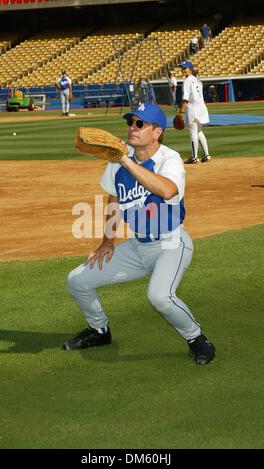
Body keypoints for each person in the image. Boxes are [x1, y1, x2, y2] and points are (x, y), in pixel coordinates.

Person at [64, 102, 216, 365]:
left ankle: (197, 339)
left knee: (159, 296)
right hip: (137, 247)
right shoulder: (117, 162)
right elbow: (113, 201)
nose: (131, 128)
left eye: (139, 124)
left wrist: (125, 159)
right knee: (77, 280)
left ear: (157, 132)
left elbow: (167, 191)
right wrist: (107, 242)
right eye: (130, 122)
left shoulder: (169, 159)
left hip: (171, 244)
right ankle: (99, 330)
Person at [178, 61, 211, 164]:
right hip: (201, 108)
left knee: (193, 132)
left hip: (192, 109)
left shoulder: (187, 81)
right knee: (199, 131)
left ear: (190, 69)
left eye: (185, 68)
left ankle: (194, 157)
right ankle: (206, 155)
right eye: (182, 68)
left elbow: (186, 99)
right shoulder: (197, 79)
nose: (183, 70)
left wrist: (180, 112)